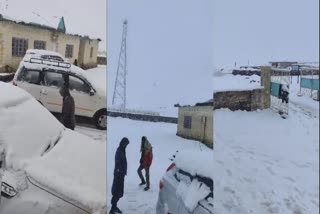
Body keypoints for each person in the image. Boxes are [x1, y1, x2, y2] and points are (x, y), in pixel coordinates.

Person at [110, 137, 129, 214]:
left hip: (121, 175)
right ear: (122, 143)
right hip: (118, 175)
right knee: (117, 192)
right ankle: (112, 209)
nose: (126, 146)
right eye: (126, 144)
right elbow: (118, 164)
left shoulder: (122, 150)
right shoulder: (119, 151)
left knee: (119, 192)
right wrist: (120, 171)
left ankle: (114, 206)